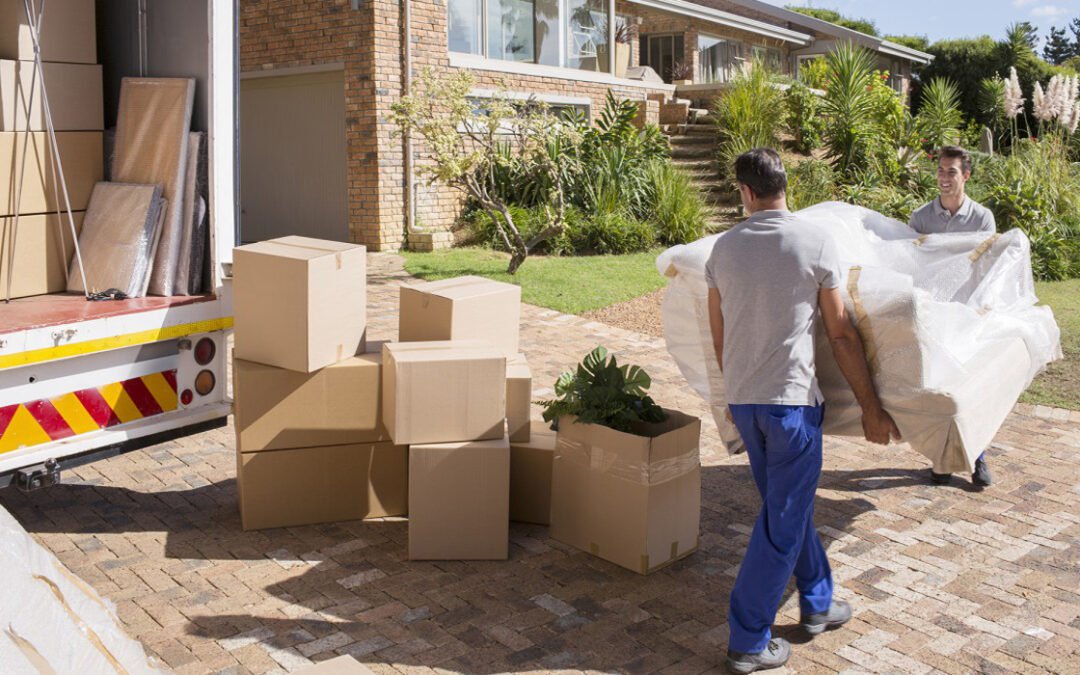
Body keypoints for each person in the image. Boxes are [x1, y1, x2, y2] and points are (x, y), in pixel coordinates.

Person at [706, 148, 901, 674]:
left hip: (747, 402)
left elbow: (719, 335)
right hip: (791, 405)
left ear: (745, 192)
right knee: (782, 522)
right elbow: (840, 333)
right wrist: (871, 407)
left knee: (787, 510)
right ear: (784, 186)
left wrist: (729, 400)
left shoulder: (723, 249)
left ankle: (816, 602)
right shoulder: (815, 240)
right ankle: (748, 639)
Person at [909, 145, 996, 488]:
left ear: (966, 176)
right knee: (939, 389)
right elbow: (912, 265)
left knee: (970, 387)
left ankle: (978, 457)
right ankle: (942, 460)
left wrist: (982, 308)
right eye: (941, 171)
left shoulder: (981, 219)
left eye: (952, 172)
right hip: (933, 315)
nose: (944, 178)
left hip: (967, 314)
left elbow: (986, 268)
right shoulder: (921, 218)